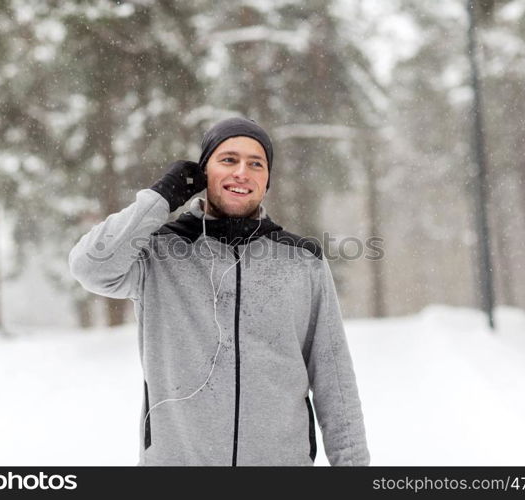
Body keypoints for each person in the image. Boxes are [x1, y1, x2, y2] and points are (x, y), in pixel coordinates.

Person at [68, 116, 370, 466]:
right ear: (203, 173)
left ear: (267, 179)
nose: (242, 172)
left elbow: (335, 382)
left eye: (255, 164)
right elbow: (90, 267)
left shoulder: (302, 260)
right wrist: (160, 198)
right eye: (228, 160)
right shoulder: (159, 252)